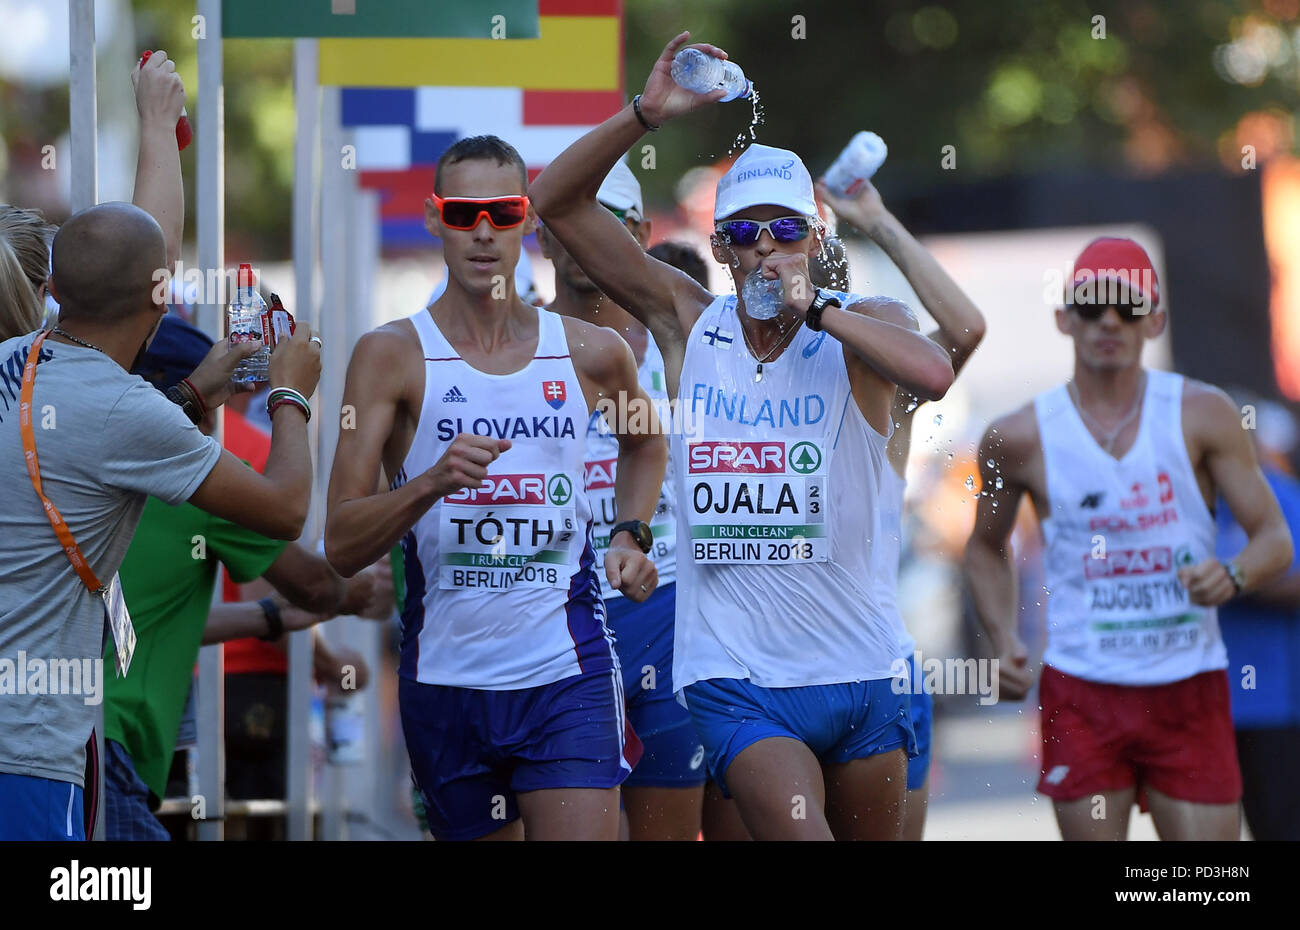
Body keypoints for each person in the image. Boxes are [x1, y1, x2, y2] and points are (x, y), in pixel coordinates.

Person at [530, 33, 954, 840]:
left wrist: (815, 308)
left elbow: (934, 372)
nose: (767, 247)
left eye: (787, 231)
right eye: (749, 231)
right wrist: (644, 116)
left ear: (817, 240)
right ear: (720, 246)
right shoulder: (687, 321)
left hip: (862, 673)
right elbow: (554, 200)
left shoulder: (863, 328)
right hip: (738, 680)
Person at [0, 52, 323, 841]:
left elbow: (143, 268)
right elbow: (283, 511)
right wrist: (291, 393)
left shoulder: (21, 362)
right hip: (31, 751)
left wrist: (155, 129)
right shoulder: (121, 408)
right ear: (157, 301)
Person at [324, 134, 667, 841]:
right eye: (464, 213)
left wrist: (630, 532)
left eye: (503, 212)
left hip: (565, 671)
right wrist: (429, 483)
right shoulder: (390, 357)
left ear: (528, 221)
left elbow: (646, 442)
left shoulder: (588, 352)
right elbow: (339, 540)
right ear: (433, 217)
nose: (483, 232)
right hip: (446, 681)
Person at [964, 236, 1294, 841]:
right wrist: (1003, 636)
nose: (1109, 321)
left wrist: (1234, 574)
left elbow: (1274, 538)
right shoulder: (1017, 437)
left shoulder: (1204, 414)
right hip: (1082, 688)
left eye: (1128, 307)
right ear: (1065, 318)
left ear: (1155, 319)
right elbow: (984, 547)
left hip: (1187, 685)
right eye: (1092, 307)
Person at [103, 315, 387, 841]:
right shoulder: (198, 474)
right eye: (219, 387)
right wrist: (290, 399)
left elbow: (136, 620)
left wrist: (271, 617)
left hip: (48, 730)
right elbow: (305, 561)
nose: (222, 413)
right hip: (127, 736)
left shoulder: (71, 455)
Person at [539, 162, 705, 841]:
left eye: (604, 218)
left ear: (638, 231)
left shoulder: (679, 341)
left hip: (668, 616)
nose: (586, 236)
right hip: (549, 623)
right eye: (569, 218)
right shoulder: (509, 343)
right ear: (544, 235)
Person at [817, 179, 986, 840]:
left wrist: (879, 221)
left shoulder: (889, 401)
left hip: (879, 672)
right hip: (768, 680)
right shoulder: (739, 393)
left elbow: (968, 329)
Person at [1214, 392, 1300, 840]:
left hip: (1276, 705)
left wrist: (1237, 579)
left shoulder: (1282, 497)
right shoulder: (1199, 501)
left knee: (1281, 826)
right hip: (1210, 706)